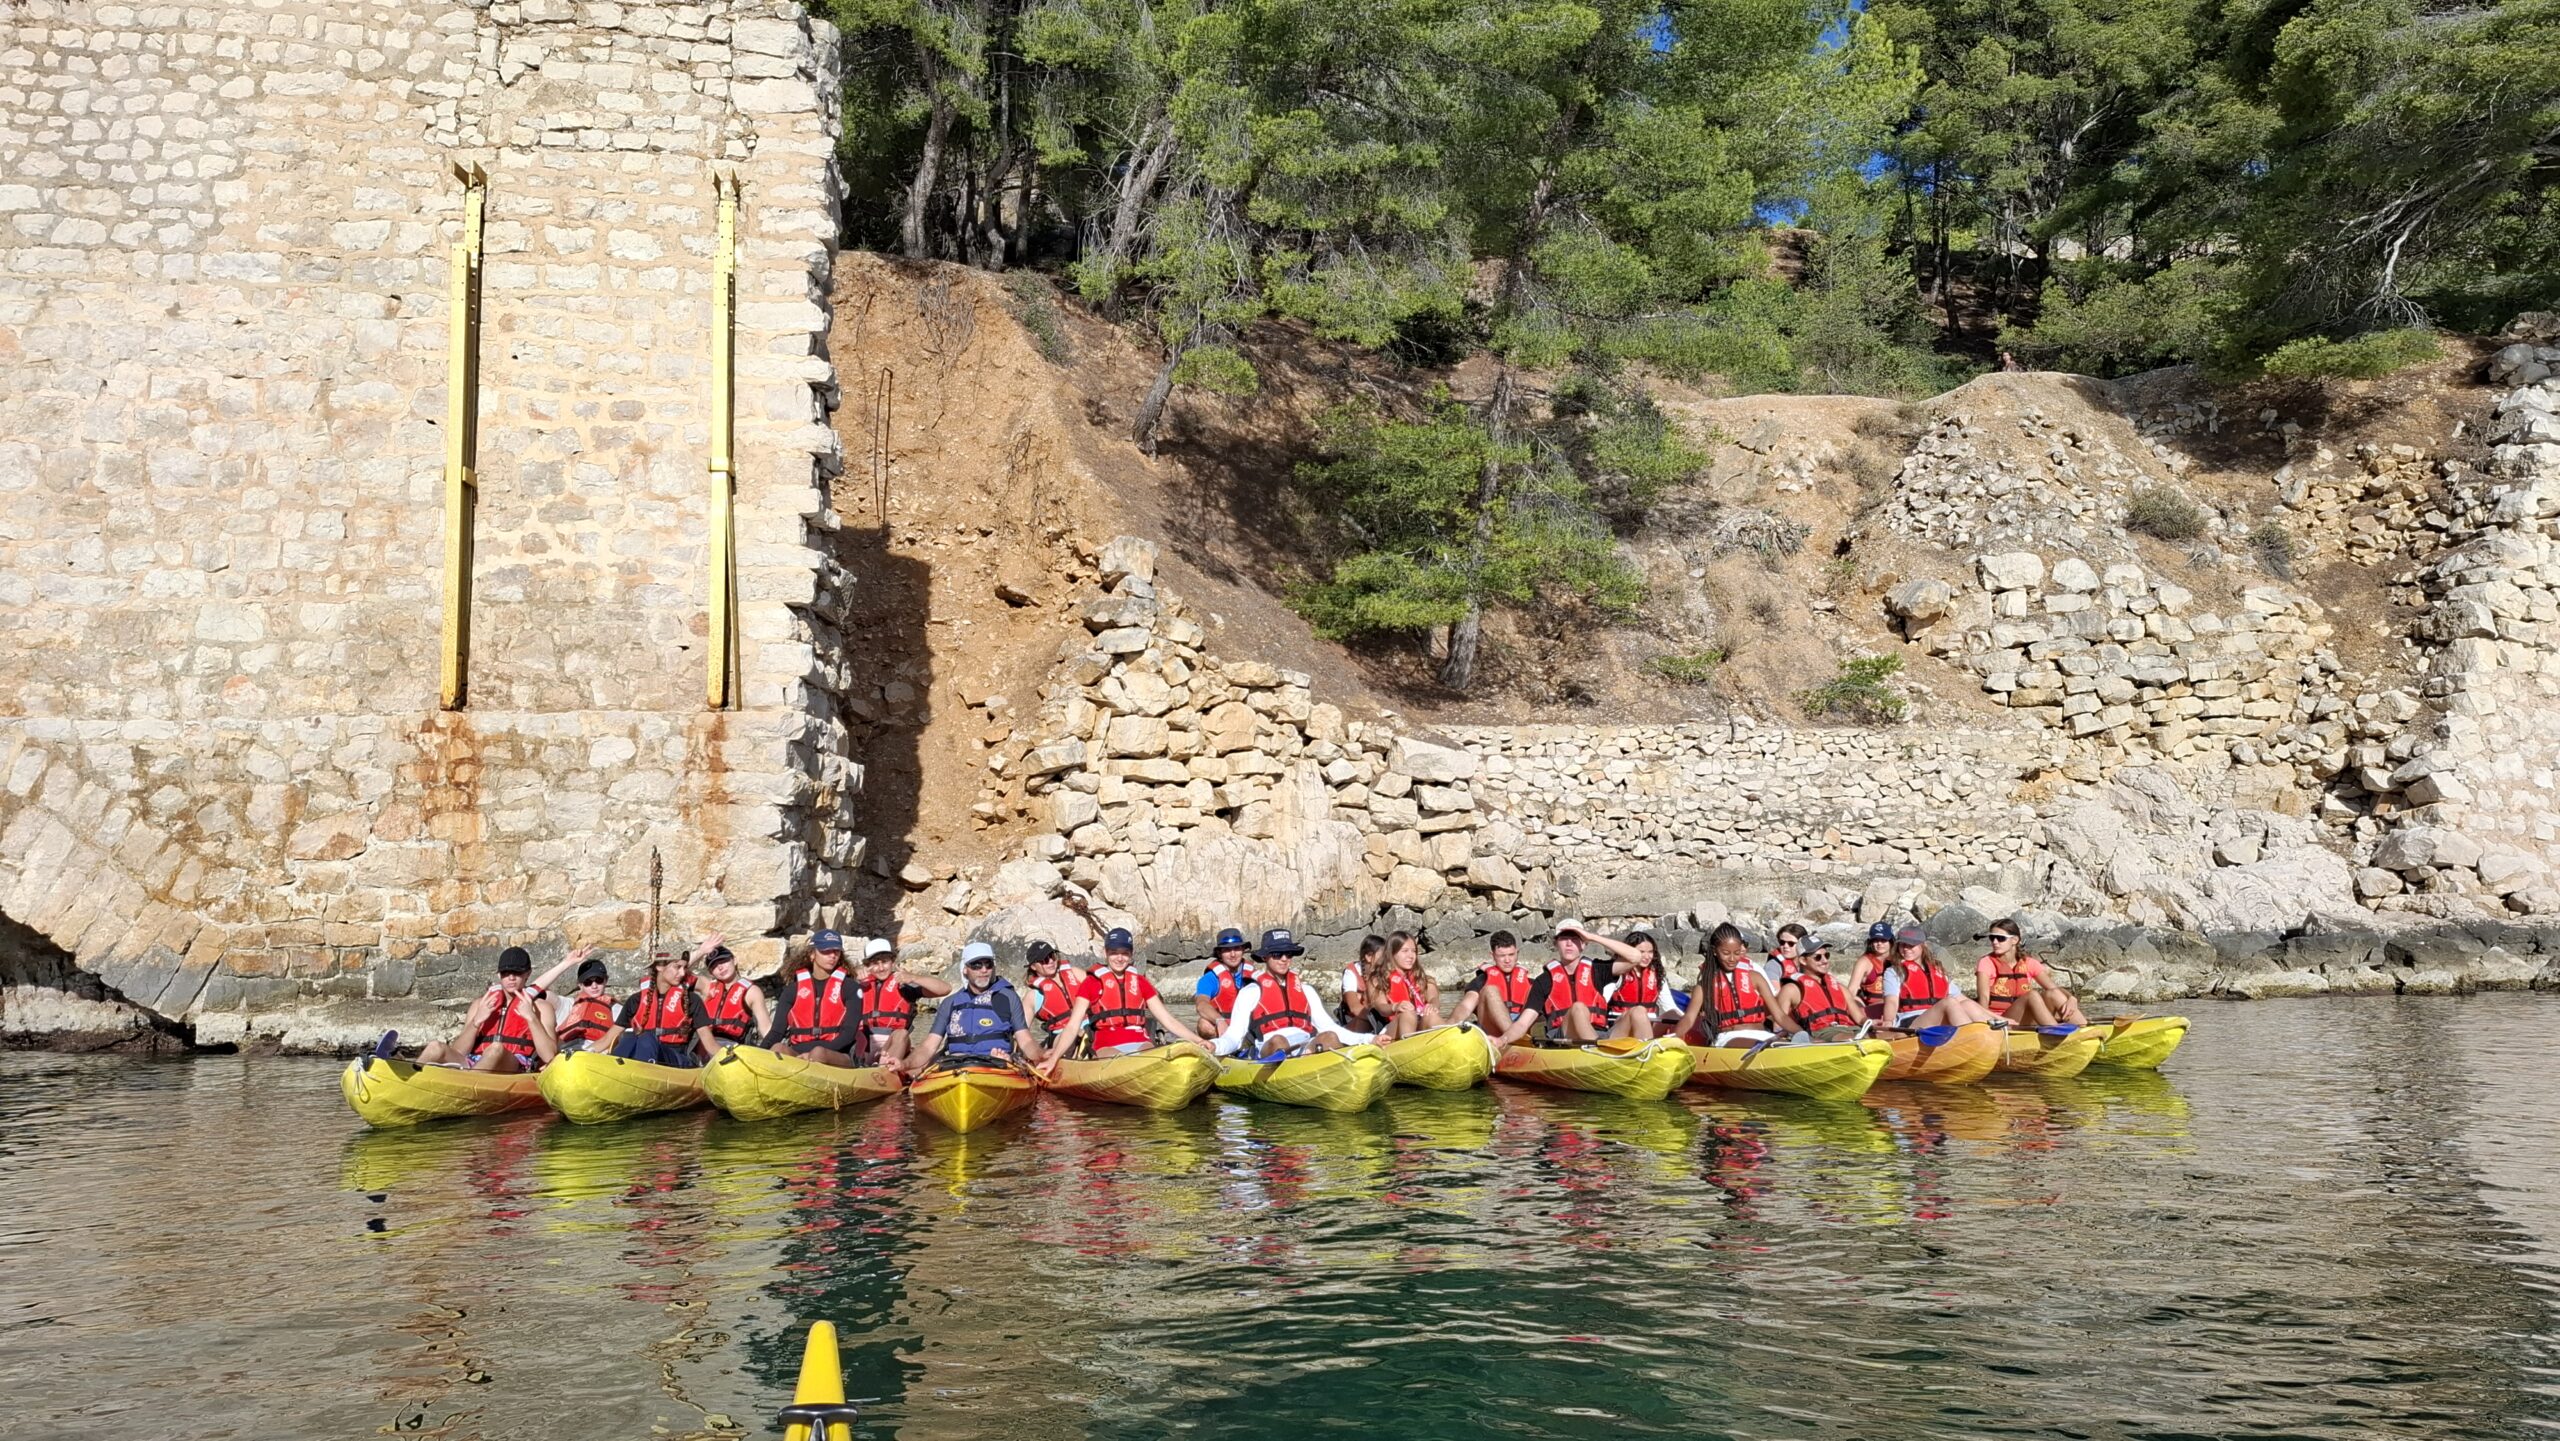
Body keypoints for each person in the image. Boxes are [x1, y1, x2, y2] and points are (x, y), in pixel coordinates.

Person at [1036, 928, 1214, 1073]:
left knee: (1148, 1058)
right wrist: (1053, 1059)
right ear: (1106, 953)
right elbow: (1073, 1026)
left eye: (1125, 953)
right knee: (1117, 1061)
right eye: (1114, 953)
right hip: (1106, 1043)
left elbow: (1167, 1020)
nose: (1119, 958)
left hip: (1139, 1039)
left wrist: (1197, 1040)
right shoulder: (1091, 983)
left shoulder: (1140, 982)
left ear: (1131, 955)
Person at [1210, 929, 1373, 1058]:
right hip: (1271, 1047)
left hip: (1305, 1045)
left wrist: (1368, 1039)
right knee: (1279, 1041)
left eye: (1288, 953)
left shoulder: (1306, 990)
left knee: (1330, 1036)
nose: (1283, 958)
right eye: (1276, 954)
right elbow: (1234, 1036)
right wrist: (1215, 1046)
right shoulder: (1251, 992)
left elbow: (1328, 1026)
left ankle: (1312, 1062)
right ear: (1265, 957)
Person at [415, 946, 559, 1071]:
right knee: (435, 1046)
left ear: (527, 974)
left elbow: (549, 1056)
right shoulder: (480, 1004)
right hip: (476, 1061)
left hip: (513, 1066)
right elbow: (459, 1051)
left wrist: (531, 1018)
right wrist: (476, 1022)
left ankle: (469, 1085)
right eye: (505, 973)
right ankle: (408, 1078)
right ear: (498, 975)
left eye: (517, 973)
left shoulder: (542, 1007)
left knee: (495, 1049)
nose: (511, 978)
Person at [905, 942, 1038, 1073]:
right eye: (976, 965)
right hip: (956, 1065)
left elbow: (1025, 1041)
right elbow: (929, 1046)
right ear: (965, 969)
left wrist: (1041, 1054)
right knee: (915, 1070)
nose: (984, 970)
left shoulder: (1008, 998)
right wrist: (905, 1064)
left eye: (988, 964)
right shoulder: (950, 1003)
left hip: (996, 1063)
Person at [1487, 920, 1611, 1051]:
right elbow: (1524, 1022)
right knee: (1578, 1008)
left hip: (1601, 1034)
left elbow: (1634, 957)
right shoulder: (1544, 981)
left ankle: (1613, 1054)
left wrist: (1592, 937)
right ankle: (1600, 1053)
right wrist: (1502, 1040)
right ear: (1556, 943)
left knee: (1636, 1012)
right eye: (1564, 939)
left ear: (1583, 943)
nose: (1569, 943)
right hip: (1563, 1038)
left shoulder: (1598, 970)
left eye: (1575, 938)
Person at [1853, 926, 1998, 1032]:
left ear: (1923, 946)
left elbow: (1961, 998)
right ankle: (1972, 1039)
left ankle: (1998, 1026)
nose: (1906, 949)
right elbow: (1891, 1001)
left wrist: (1998, 1017)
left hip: (1936, 1019)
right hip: (1910, 1022)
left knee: (1967, 1004)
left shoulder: (1937, 970)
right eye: (1903, 945)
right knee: (1949, 1002)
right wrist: (1889, 1022)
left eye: (1912, 945)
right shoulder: (1893, 971)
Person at [594, 948, 717, 1067]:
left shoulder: (692, 1000)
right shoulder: (635, 1001)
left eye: (684, 968)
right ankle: (615, 1070)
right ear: (659, 967)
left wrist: (725, 1057)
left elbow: (709, 1043)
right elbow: (607, 1040)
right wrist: (581, 1051)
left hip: (677, 1060)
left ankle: (643, 1073)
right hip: (645, 1055)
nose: (682, 973)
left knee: (646, 1038)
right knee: (629, 1039)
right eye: (677, 967)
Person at [1670, 923, 1788, 1047]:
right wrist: (1673, 1038)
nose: (1732, 959)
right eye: (1726, 953)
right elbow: (1689, 1018)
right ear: (1715, 951)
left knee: (1782, 1043)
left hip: (1763, 1035)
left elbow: (1779, 1015)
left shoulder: (1755, 976)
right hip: (1729, 1037)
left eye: (1736, 952)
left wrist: (1800, 1033)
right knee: (1763, 1044)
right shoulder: (1704, 986)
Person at [763, 929, 864, 1067]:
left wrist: (812, 1056)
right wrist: (757, 1053)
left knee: (818, 1053)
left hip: (836, 1053)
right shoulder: (792, 990)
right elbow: (776, 1032)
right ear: (812, 954)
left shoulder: (850, 987)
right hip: (798, 1053)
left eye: (836, 951)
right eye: (825, 951)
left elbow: (849, 1033)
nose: (832, 956)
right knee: (778, 1049)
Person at [856, 936, 951, 1070]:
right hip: (865, 1043)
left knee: (901, 1033)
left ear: (893, 962)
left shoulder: (903, 985)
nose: (881, 967)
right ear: (867, 966)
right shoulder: (858, 986)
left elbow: (945, 989)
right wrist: (855, 974)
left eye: (885, 962)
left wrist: (914, 977)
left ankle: (886, 1069)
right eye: (875, 963)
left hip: (895, 1043)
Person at [1976, 919, 2087, 1026]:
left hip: (2026, 1018)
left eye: (2000, 938)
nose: (1995, 942)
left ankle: (2085, 1029)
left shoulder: (2029, 963)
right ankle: (2055, 1033)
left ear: (2014, 940)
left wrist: (2072, 998)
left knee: (2054, 994)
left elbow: (2054, 989)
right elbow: (1984, 998)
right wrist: (1985, 1024)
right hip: (2002, 1020)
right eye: (1992, 938)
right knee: (2032, 995)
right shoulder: (1986, 963)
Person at [1577, 928, 1680, 1041]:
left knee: (1674, 1014)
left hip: (1650, 1025)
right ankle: (1646, 1049)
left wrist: (1688, 1019)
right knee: (1639, 1012)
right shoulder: (1618, 973)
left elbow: (1669, 1007)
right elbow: (1602, 1003)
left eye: (1650, 952)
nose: (1647, 956)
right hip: (1621, 1024)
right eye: (1641, 952)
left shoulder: (1658, 975)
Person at [1774, 936, 1863, 1040]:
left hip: (1850, 1029)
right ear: (1803, 960)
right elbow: (1778, 1026)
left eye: (1827, 955)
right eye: (1818, 957)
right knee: (1857, 1039)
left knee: (1883, 1036)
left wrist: (1873, 1024)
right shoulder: (1791, 989)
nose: (1825, 960)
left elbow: (1860, 1018)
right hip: (1820, 1033)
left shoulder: (1839, 987)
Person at [1365, 930, 1447, 1040]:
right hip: (1392, 1029)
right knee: (1407, 1013)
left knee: (1431, 1015)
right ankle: (1409, 1046)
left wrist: (1432, 1005)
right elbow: (1381, 1007)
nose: (1411, 956)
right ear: (1392, 953)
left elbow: (1434, 997)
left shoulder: (1423, 979)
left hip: (1419, 1025)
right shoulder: (1376, 980)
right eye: (1405, 951)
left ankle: (1451, 1040)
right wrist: (1396, 1006)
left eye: (1413, 951)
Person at [693, 934, 769, 1051]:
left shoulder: (751, 991)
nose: (720, 968)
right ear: (711, 972)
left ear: (734, 960)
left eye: (723, 961)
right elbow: (673, 974)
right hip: (704, 1043)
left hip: (732, 1046)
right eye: (714, 966)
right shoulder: (708, 986)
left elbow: (766, 1028)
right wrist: (701, 951)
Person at [1457, 930, 1537, 1039]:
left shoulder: (1530, 983)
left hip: (1521, 1029)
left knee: (1536, 989)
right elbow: (1465, 1007)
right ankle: (1513, 1038)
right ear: (1493, 955)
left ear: (1517, 953)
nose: (1507, 960)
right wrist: (1448, 1025)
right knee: (1490, 990)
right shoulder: (1481, 981)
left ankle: (1518, 1039)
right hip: (1491, 1032)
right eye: (1502, 956)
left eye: (1511, 955)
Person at [1018, 940, 1085, 1063]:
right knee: (1070, 1037)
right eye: (1044, 960)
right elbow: (1021, 1032)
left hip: (1088, 1026)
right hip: (1061, 1034)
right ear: (1033, 966)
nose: (1050, 962)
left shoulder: (1074, 973)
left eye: (1052, 956)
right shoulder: (1033, 996)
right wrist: (1037, 1053)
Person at [1193, 926, 1260, 1038]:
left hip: (1249, 1026)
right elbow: (1201, 1005)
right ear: (1219, 953)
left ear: (1243, 950)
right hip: (1223, 1026)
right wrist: (1219, 1020)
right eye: (1227, 950)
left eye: (1237, 948)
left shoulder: (1254, 974)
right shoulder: (1211, 978)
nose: (1233, 954)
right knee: (1204, 1024)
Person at [551, 956, 618, 1052]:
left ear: (606, 980)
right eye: (588, 982)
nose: (594, 986)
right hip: (566, 1053)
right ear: (580, 985)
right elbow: (539, 992)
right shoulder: (567, 1004)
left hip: (598, 1054)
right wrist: (565, 964)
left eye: (599, 980)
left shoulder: (617, 1009)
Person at [1339, 934, 1388, 1032]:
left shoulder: (1386, 972)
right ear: (1369, 957)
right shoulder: (1351, 973)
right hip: (1358, 1020)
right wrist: (1379, 1020)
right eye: (1383, 957)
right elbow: (1354, 1008)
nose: (1387, 961)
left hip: (1382, 1018)